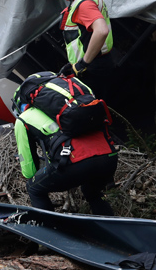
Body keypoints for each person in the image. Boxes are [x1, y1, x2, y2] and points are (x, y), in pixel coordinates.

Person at [12, 71, 118, 215]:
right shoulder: (71, 103)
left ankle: (51, 233)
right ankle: (111, 226)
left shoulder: (23, 119)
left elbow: (29, 170)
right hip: (108, 157)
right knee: (91, 191)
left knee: (34, 188)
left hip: (75, 163)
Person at [46, 0, 114, 91]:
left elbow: (101, 31)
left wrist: (83, 63)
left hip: (94, 68)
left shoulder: (84, 3)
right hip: (98, 64)